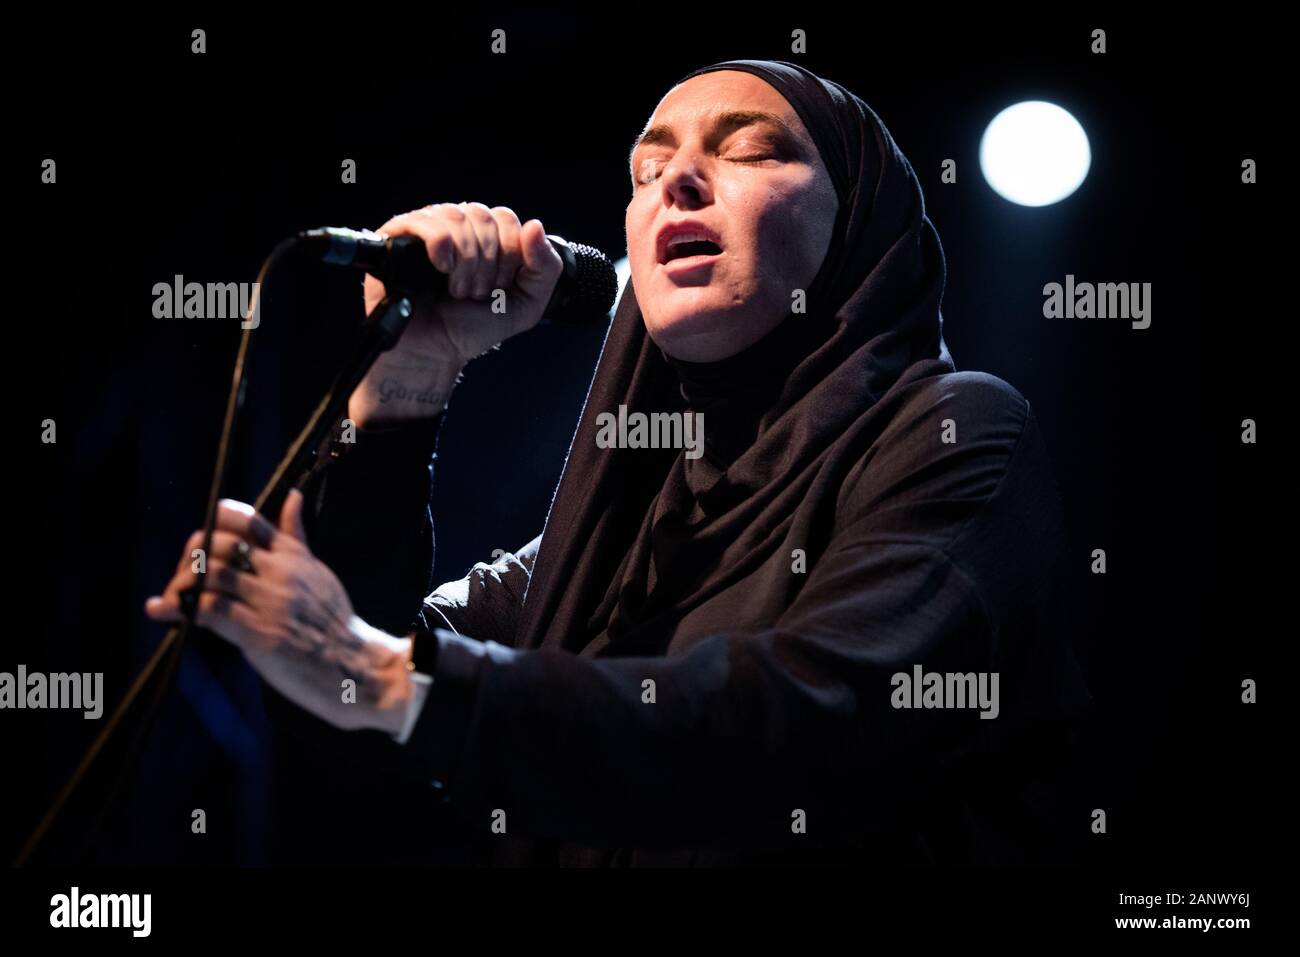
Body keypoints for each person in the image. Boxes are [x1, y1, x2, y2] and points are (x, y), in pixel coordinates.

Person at [146, 59, 1092, 866]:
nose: (677, 179)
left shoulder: (955, 435)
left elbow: (806, 720)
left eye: (751, 149)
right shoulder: (615, 531)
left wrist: (385, 676)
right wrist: (408, 382)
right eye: (646, 168)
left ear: (861, 228)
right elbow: (362, 671)